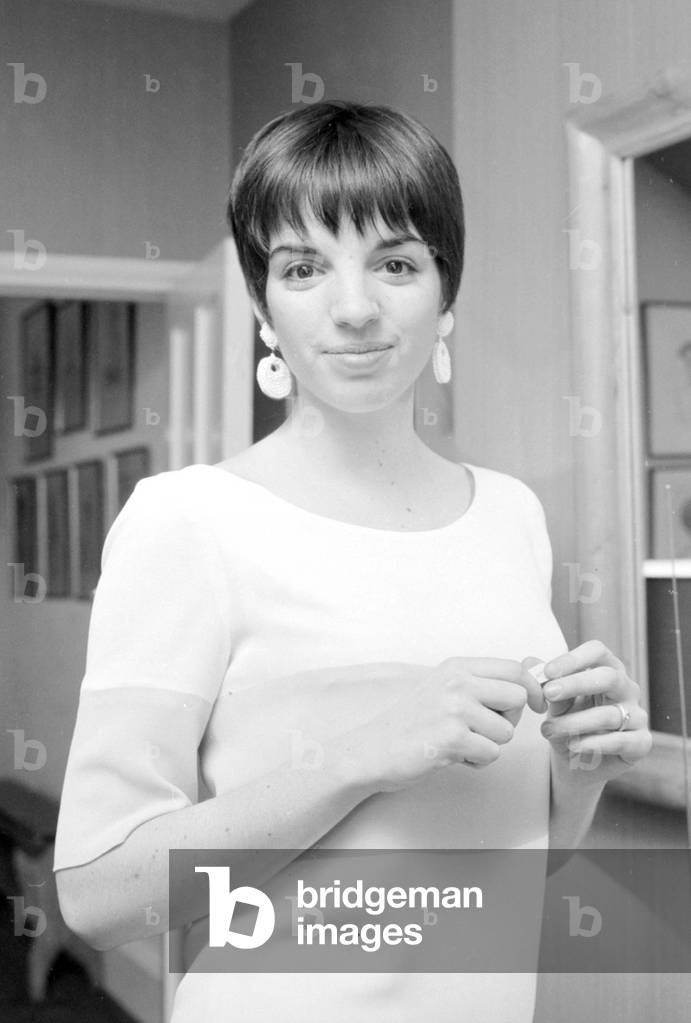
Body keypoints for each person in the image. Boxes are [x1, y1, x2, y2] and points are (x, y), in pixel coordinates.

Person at [53, 100, 652, 1022]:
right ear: (261, 305)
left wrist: (577, 770)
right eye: (302, 267)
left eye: (397, 263)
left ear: (445, 291)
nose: (355, 308)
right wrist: (358, 755)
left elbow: (506, 857)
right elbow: (96, 895)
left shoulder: (510, 517)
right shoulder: (189, 522)